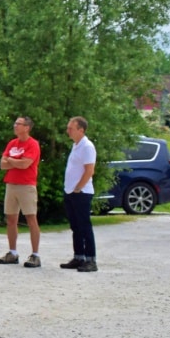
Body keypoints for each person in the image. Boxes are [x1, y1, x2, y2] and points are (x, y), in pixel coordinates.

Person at [0, 116, 42, 268]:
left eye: (18, 124)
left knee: (31, 219)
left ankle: (35, 255)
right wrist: (14, 162)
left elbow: (25, 164)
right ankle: (12, 252)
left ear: (27, 127)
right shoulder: (12, 143)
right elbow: (2, 164)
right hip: (11, 184)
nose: (15, 126)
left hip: (26, 185)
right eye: (15, 123)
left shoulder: (32, 144)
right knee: (11, 219)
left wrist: (11, 161)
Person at [61, 116, 98, 272]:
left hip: (81, 192)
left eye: (71, 128)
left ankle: (91, 259)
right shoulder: (76, 146)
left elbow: (89, 170)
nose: (68, 131)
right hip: (71, 191)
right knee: (75, 226)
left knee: (84, 226)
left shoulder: (87, 146)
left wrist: (78, 187)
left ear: (81, 130)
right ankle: (79, 256)